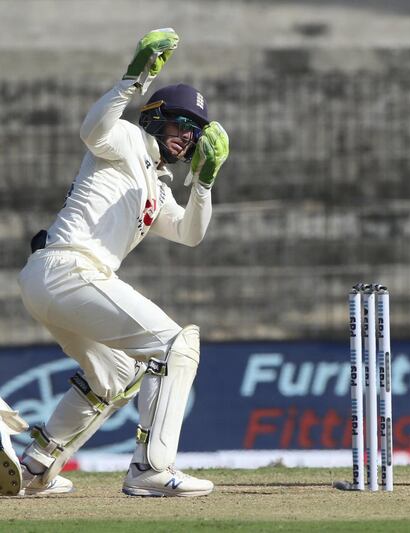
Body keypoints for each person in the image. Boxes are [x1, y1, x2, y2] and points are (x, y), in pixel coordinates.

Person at [14, 28, 229, 497]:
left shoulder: (157, 185)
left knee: (116, 374)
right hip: (69, 267)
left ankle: (33, 468)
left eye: (193, 132)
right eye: (178, 124)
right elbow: (92, 128)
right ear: (154, 118)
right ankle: (151, 469)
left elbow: (191, 234)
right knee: (176, 345)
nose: (185, 137)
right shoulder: (127, 139)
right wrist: (133, 79)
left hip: (54, 280)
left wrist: (205, 184)